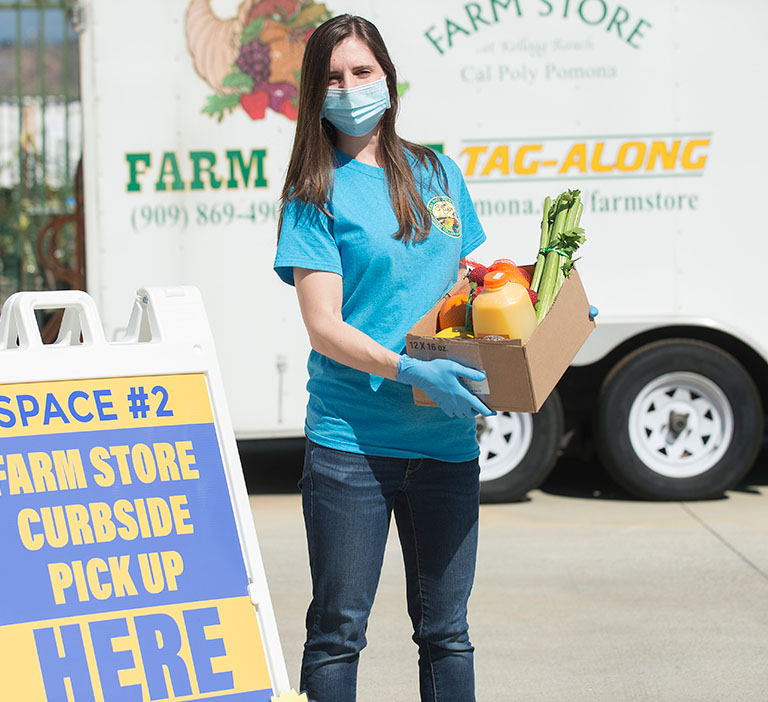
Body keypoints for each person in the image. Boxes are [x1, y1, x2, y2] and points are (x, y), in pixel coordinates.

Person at [273, 13, 495, 702]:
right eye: (333, 77)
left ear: (388, 80)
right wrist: (408, 369)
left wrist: (541, 308)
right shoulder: (314, 193)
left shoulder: (437, 173)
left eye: (362, 71)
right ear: (316, 94)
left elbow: (467, 285)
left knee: (446, 633)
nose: (349, 87)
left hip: (446, 443)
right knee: (339, 634)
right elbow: (323, 327)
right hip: (351, 447)